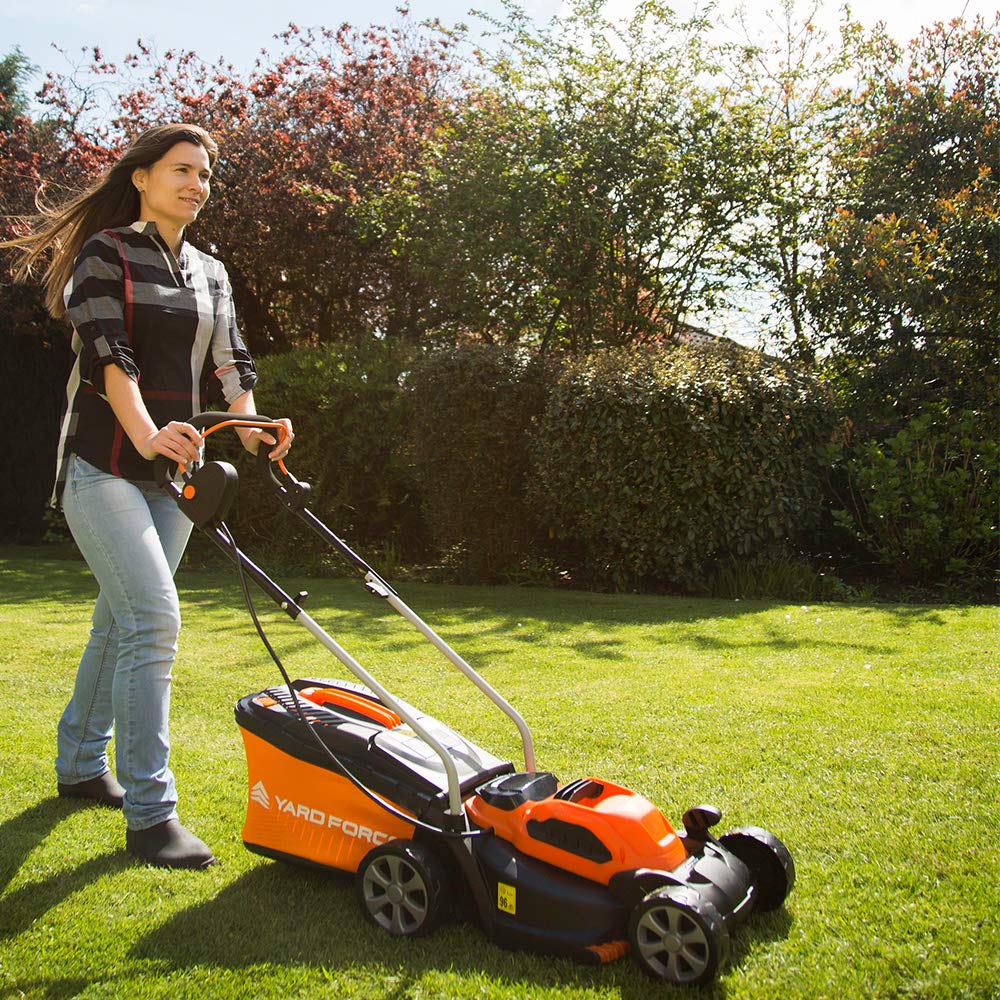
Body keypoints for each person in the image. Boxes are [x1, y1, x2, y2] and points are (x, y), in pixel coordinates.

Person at [3, 123, 293, 869]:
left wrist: (256, 426)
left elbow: (230, 361)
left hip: (171, 477)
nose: (198, 184)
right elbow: (109, 353)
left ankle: (77, 765)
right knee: (155, 621)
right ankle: (151, 810)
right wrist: (144, 432)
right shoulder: (108, 254)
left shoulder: (212, 271)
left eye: (206, 175)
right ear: (141, 177)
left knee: (119, 621)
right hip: (103, 466)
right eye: (182, 170)